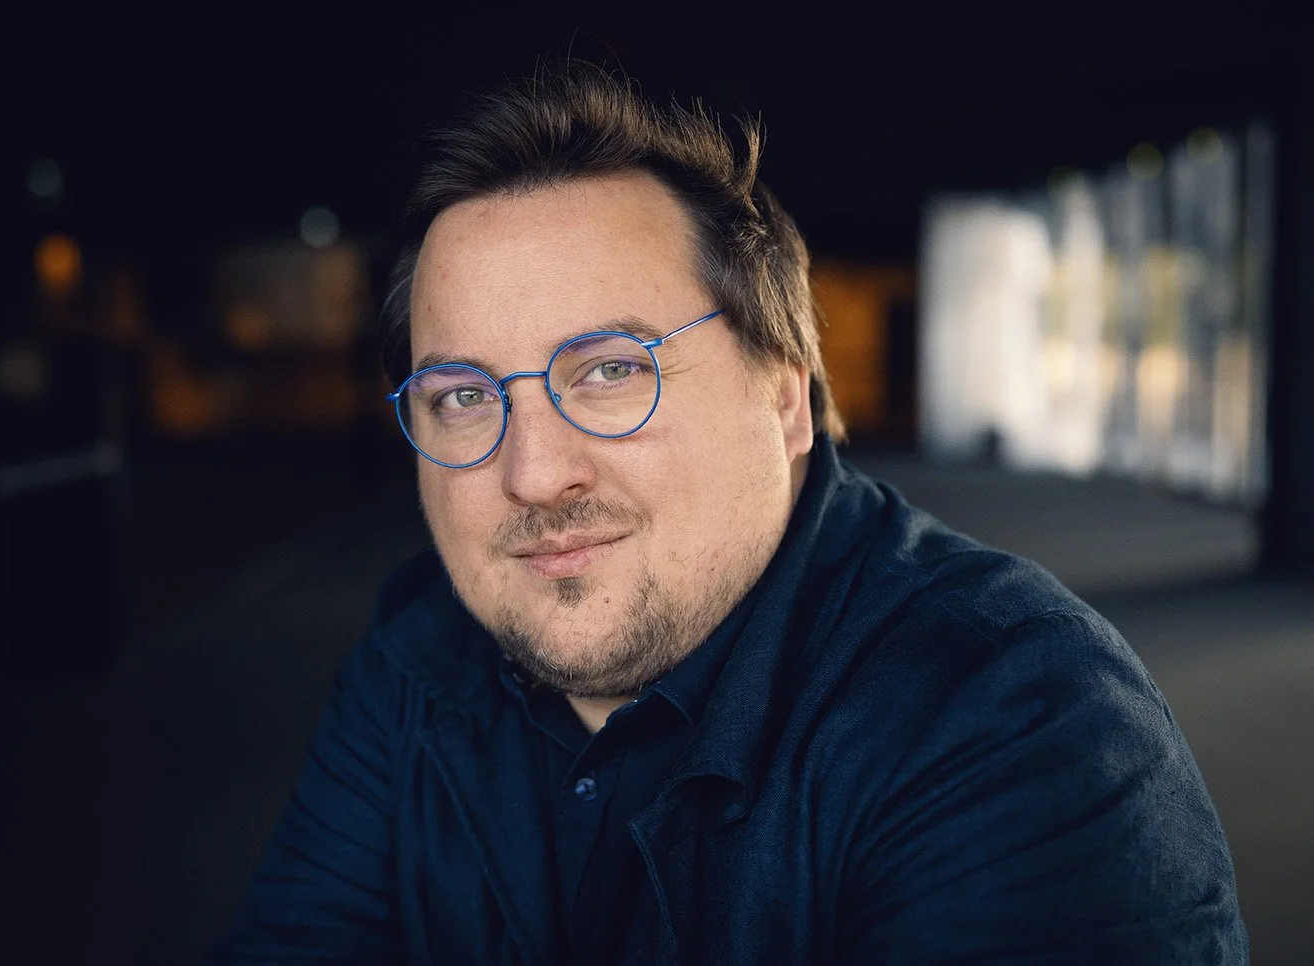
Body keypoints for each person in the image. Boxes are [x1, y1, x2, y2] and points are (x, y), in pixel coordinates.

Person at [210, 59, 1247, 964]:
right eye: (467, 396)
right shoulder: (416, 657)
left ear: (785, 398)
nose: (532, 475)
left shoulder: (1016, 716)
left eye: (612, 370)